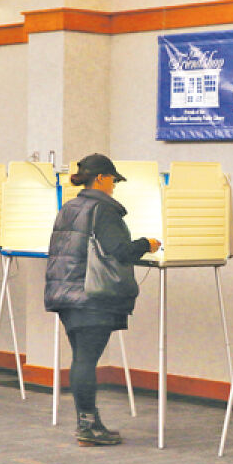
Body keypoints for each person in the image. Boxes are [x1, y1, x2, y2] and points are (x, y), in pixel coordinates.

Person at [45, 153, 160, 446]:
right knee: (86, 359)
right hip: (91, 295)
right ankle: (87, 427)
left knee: (81, 357)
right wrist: (146, 244)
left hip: (65, 292)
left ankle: (91, 422)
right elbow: (119, 250)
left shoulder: (69, 207)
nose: (114, 186)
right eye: (112, 180)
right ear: (101, 178)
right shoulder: (103, 210)